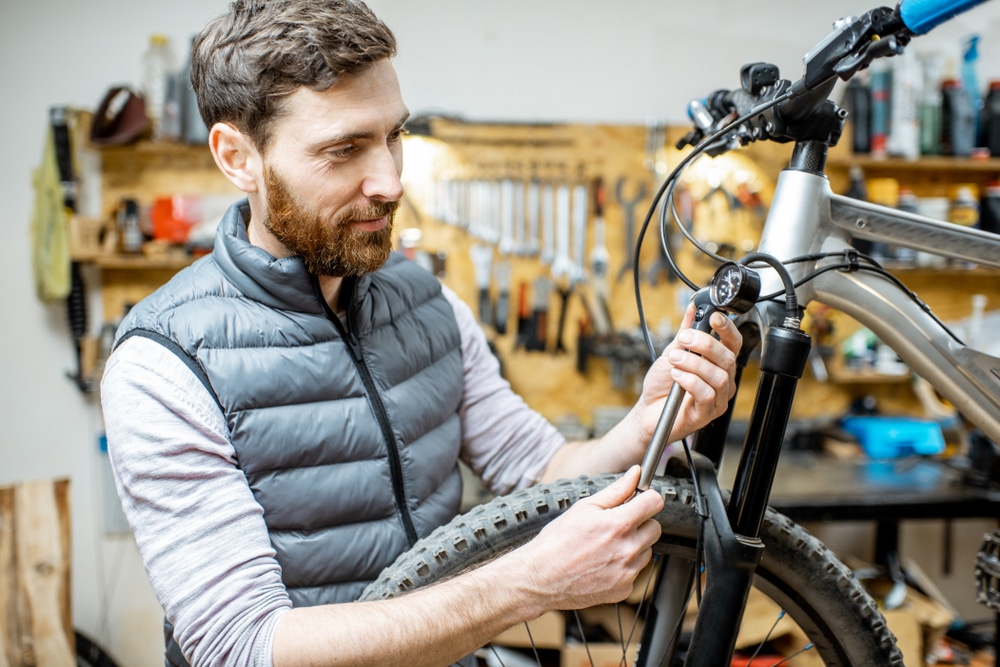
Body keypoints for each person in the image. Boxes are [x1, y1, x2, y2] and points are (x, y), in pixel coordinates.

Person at [100, 1, 743, 666]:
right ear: (238, 156)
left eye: (393, 136)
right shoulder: (164, 365)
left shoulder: (428, 303)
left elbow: (541, 472)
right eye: (344, 149)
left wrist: (648, 421)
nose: (389, 181)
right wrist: (524, 583)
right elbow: (243, 647)